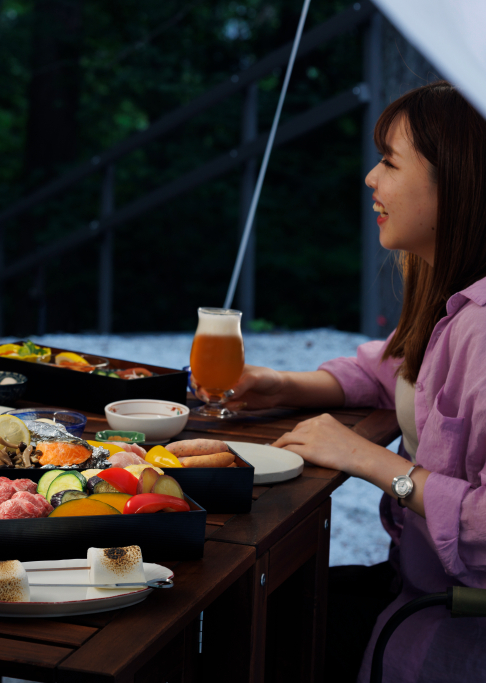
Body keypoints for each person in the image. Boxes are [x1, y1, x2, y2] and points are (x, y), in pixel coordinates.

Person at [228, 81, 486, 682]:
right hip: (411, 583)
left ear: (456, 179)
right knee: (257, 608)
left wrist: (369, 460)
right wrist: (285, 383)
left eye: (390, 162)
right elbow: (395, 368)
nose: (371, 178)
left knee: (253, 629)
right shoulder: (446, 292)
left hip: (454, 622)